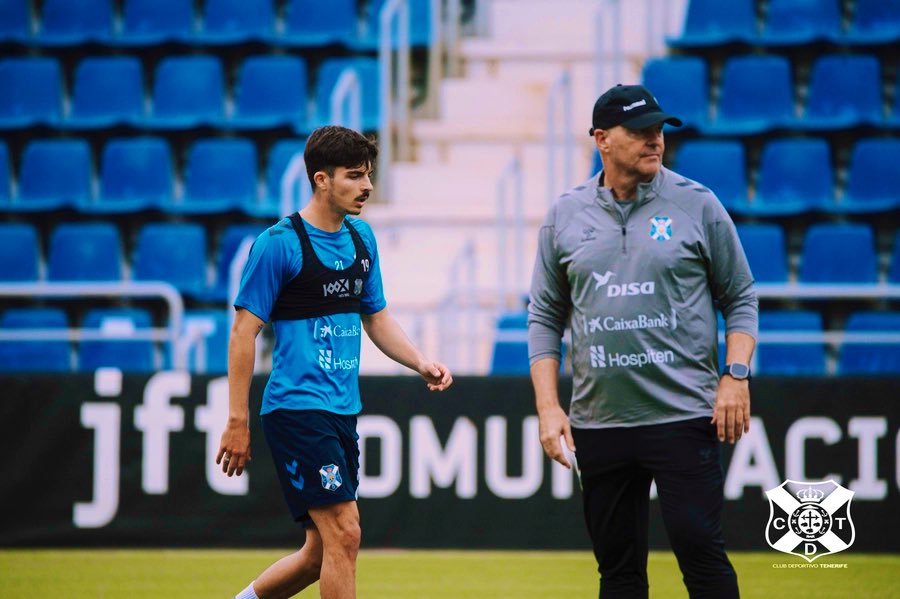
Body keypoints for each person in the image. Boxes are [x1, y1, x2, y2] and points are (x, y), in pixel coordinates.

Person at [528, 84, 758, 598]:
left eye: (659, 129)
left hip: (682, 415)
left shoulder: (697, 204)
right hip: (599, 422)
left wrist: (735, 374)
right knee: (618, 571)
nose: (655, 140)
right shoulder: (565, 215)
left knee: (700, 551)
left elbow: (741, 297)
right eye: (640, 131)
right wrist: (548, 407)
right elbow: (544, 316)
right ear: (602, 139)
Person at [217, 125, 453, 599]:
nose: (367, 186)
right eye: (354, 176)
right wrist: (237, 420)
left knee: (320, 553)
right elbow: (244, 332)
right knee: (345, 532)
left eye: (368, 175)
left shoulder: (362, 240)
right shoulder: (279, 244)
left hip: (342, 410)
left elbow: (376, 317)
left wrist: (418, 361)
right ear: (321, 180)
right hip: (297, 408)